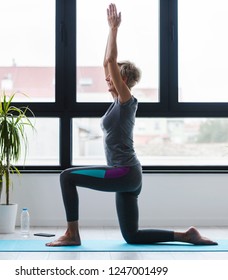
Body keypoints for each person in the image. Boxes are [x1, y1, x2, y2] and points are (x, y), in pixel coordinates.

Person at [46, 3, 217, 247]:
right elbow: (106, 62)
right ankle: (186, 235)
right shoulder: (116, 101)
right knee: (132, 236)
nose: (107, 78)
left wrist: (114, 30)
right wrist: (109, 31)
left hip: (124, 172)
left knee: (66, 177)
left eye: (112, 76)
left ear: (122, 79)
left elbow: (111, 60)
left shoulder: (127, 101)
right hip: (128, 175)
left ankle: (72, 234)